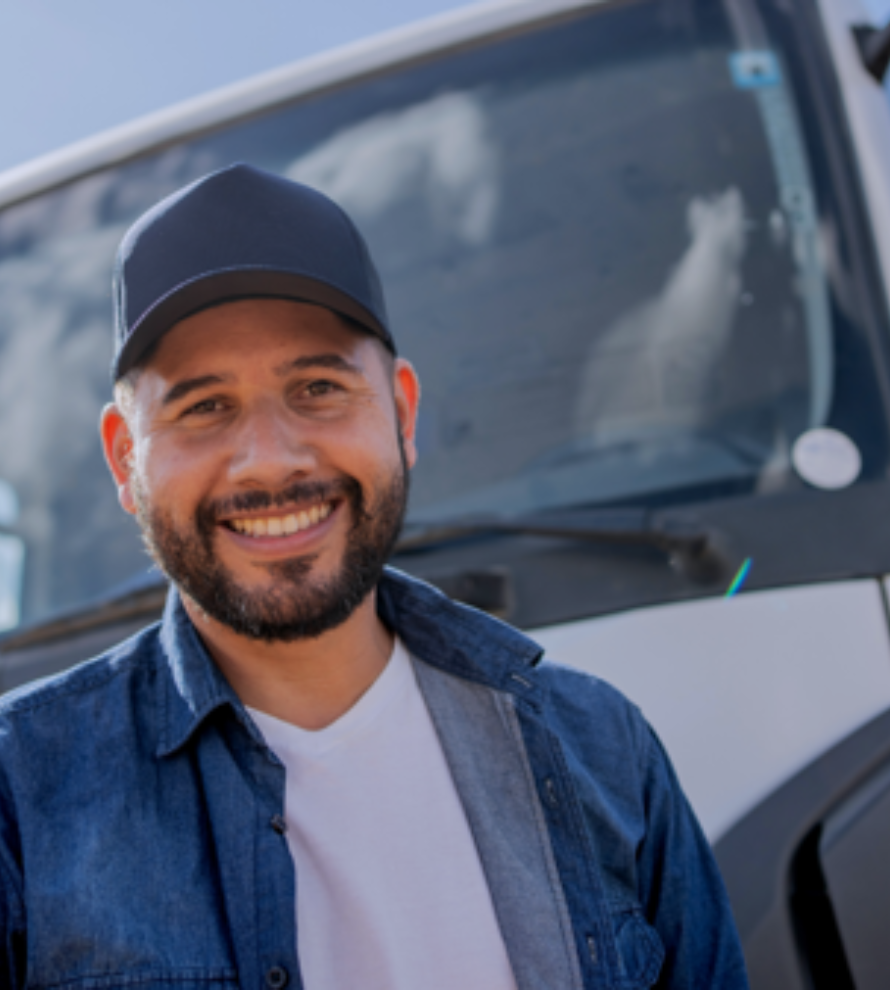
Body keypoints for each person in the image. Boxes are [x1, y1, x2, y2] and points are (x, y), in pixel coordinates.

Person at [0, 164, 748, 989]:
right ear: (125, 456)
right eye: (204, 407)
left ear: (402, 412)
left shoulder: (603, 749)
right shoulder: (18, 794)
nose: (271, 459)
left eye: (318, 388)